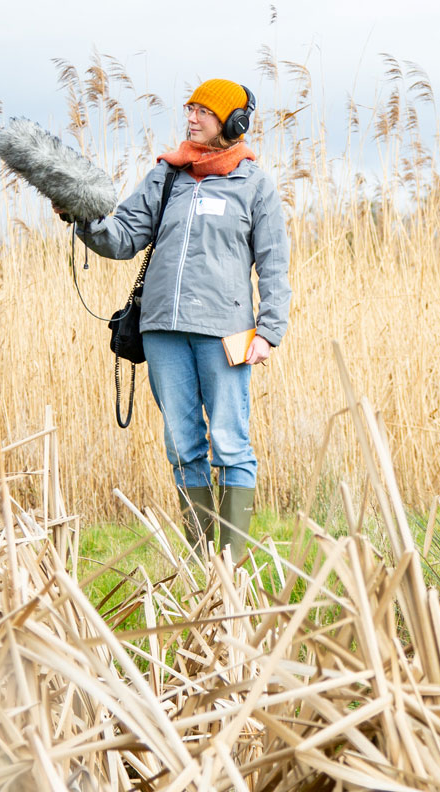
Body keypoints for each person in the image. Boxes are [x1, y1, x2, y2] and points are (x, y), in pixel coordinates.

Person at [77, 78, 291, 558]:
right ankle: (202, 562)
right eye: (189, 109)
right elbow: (124, 235)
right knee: (182, 446)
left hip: (227, 333)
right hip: (162, 332)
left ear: (232, 124)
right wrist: (83, 219)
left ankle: (230, 567)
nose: (191, 119)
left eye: (203, 112)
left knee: (230, 445)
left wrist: (270, 331)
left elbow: (274, 263)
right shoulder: (167, 176)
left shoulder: (254, 184)